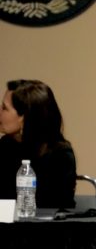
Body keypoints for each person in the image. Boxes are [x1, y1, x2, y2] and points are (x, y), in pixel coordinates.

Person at [0, 79, 76, 208]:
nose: (0, 113)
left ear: (24, 117)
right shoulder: (5, 146)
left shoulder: (60, 155)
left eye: (4, 108)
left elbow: (55, 205)